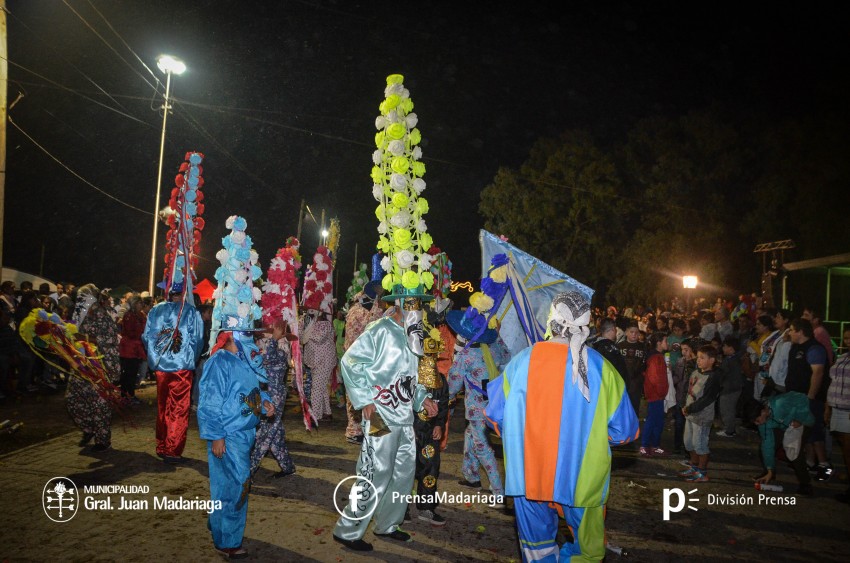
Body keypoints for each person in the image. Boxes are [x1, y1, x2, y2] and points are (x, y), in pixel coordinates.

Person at [486, 291, 638, 561]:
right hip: (583, 478)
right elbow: (626, 431)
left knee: (538, 551)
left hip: (529, 476)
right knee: (588, 553)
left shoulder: (521, 362)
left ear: (551, 321)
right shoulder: (601, 368)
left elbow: (493, 416)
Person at [332, 289, 439, 552]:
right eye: (413, 303)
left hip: (404, 417)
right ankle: (347, 530)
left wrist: (422, 399)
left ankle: (388, 524)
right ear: (400, 304)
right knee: (375, 471)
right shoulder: (380, 330)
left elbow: (411, 377)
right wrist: (365, 399)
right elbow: (350, 361)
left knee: (403, 474)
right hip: (380, 414)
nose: (418, 309)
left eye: (421, 304)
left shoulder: (414, 336)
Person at [198, 329, 275, 559]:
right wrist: (216, 435)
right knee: (237, 485)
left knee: (227, 484)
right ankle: (227, 541)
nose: (253, 339)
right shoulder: (219, 362)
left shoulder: (243, 359)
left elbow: (249, 391)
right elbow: (210, 402)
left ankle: (219, 524)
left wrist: (264, 404)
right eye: (247, 333)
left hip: (243, 434)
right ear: (232, 336)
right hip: (228, 435)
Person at [447, 309, 511, 506]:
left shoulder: (466, 356)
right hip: (496, 406)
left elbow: (453, 386)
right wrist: (497, 335)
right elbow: (507, 357)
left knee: (483, 448)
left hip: (477, 410)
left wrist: (445, 400)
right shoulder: (493, 349)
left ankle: (498, 492)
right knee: (470, 435)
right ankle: (471, 475)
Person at [142, 287, 204, 463]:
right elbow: (198, 339)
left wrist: (155, 357)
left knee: (163, 407)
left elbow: (146, 337)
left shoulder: (155, 310)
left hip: (161, 367)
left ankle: (162, 446)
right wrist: (191, 358)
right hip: (181, 368)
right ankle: (172, 450)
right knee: (179, 408)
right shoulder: (190, 311)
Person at [69, 284, 116, 451]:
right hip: (81, 363)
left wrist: (84, 338)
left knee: (99, 402)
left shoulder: (102, 315)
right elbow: (71, 333)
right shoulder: (79, 315)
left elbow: (110, 339)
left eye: (84, 297)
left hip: (100, 364)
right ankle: (88, 428)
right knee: (74, 399)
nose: (81, 300)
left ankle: (103, 440)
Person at [411, 331, 449, 525]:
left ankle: (426, 508)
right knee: (406, 471)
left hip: (430, 435)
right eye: (425, 355)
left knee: (430, 470)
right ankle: (399, 510)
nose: (429, 359)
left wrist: (440, 425)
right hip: (411, 433)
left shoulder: (441, 381)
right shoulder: (411, 380)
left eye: (432, 355)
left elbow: (443, 407)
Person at [785, 318, 831, 482]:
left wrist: (810, 397)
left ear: (800, 331)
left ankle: (824, 466)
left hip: (810, 398)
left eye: (792, 329)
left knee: (815, 431)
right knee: (805, 433)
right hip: (796, 397)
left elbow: (818, 373)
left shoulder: (814, 348)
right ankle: (810, 462)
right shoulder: (795, 347)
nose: (789, 333)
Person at [249, 321, 296, 479]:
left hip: (274, 395)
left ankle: (249, 470)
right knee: (275, 434)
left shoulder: (280, 351)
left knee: (265, 434)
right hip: (267, 394)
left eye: (269, 334)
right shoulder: (268, 349)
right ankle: (287, 466)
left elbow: (268, 357)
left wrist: (274, 339)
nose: (265, 337)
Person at [754, 390, 814, 495]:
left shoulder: (780, 403)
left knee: (794, 452)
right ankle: (770, 473)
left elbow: (802, 398)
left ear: (763, 412)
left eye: (757, 420)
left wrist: (799, 419)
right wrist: (770, 469)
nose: (756, 424)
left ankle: (805, 484)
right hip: (783, 425)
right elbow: (767, 445)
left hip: (802, 422)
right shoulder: (763, 421)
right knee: (764, 448)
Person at [678, 345, 722, 482]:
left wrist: (690, 408)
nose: (698, 360)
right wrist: (684, 405)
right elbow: (688, 390)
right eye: (698, 357)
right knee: (689, 443)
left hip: (702, 416)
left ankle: (702, 473)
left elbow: (707, 399)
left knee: (700, 445)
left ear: (712, 360)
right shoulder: (696, 372)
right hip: (690, 414)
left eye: (702, 358)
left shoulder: (713, 377)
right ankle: (694, 467)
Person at [826, 328, 850, 503]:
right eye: (846, 338)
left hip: (848, 409)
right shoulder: (843, 357)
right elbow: (832, 381)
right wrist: (827, 408)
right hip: (837, 407)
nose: (848, 341)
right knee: (844, 448)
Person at [639, 331, 670, 456]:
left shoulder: (655, 356)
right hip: (656, 394)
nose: (667, 343)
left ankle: (654, 445)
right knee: (653, 420)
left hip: (656, 394)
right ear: (659, 343)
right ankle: (645, 445)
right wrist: (661, 391)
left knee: (657, 421)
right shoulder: (656, 357)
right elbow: (655, 377)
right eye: (665, 341)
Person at [117, 295, 146, 403]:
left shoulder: (140, 315)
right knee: (128, 373)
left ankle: (130, 394)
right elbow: (130, 333)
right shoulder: (129, 316)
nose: (142, 305)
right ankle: (126, 395)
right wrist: (142, 335)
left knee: (133, 372)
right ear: (134, 304)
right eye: (139, 303)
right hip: (129, 348)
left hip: (136, 346)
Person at [617, 320, 647, 420]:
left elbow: (645, 365)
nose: (634, 334)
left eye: (636, 332)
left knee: (634, 409)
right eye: (631, 332)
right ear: (626, 332)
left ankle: (634, 429)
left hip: (636, 384)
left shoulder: (643, 347)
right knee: (621, 408)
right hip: (622, 383)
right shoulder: (619, 346)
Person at [716, 336, 745, 437]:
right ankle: (729, 428)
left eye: (725, 346)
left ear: (731, 348)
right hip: (732, 388)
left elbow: (723, 373)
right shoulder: (733, 358)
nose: (723, 348)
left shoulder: (731, 360)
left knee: (727, 409)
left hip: (730, 389)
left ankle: (729, 430)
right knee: (729, 409)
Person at [592, 317, 629, 385]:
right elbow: (620, 371)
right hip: (614, 386)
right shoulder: (612, 349)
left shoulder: (594, 347)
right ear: (613, 329)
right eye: (615, 329)